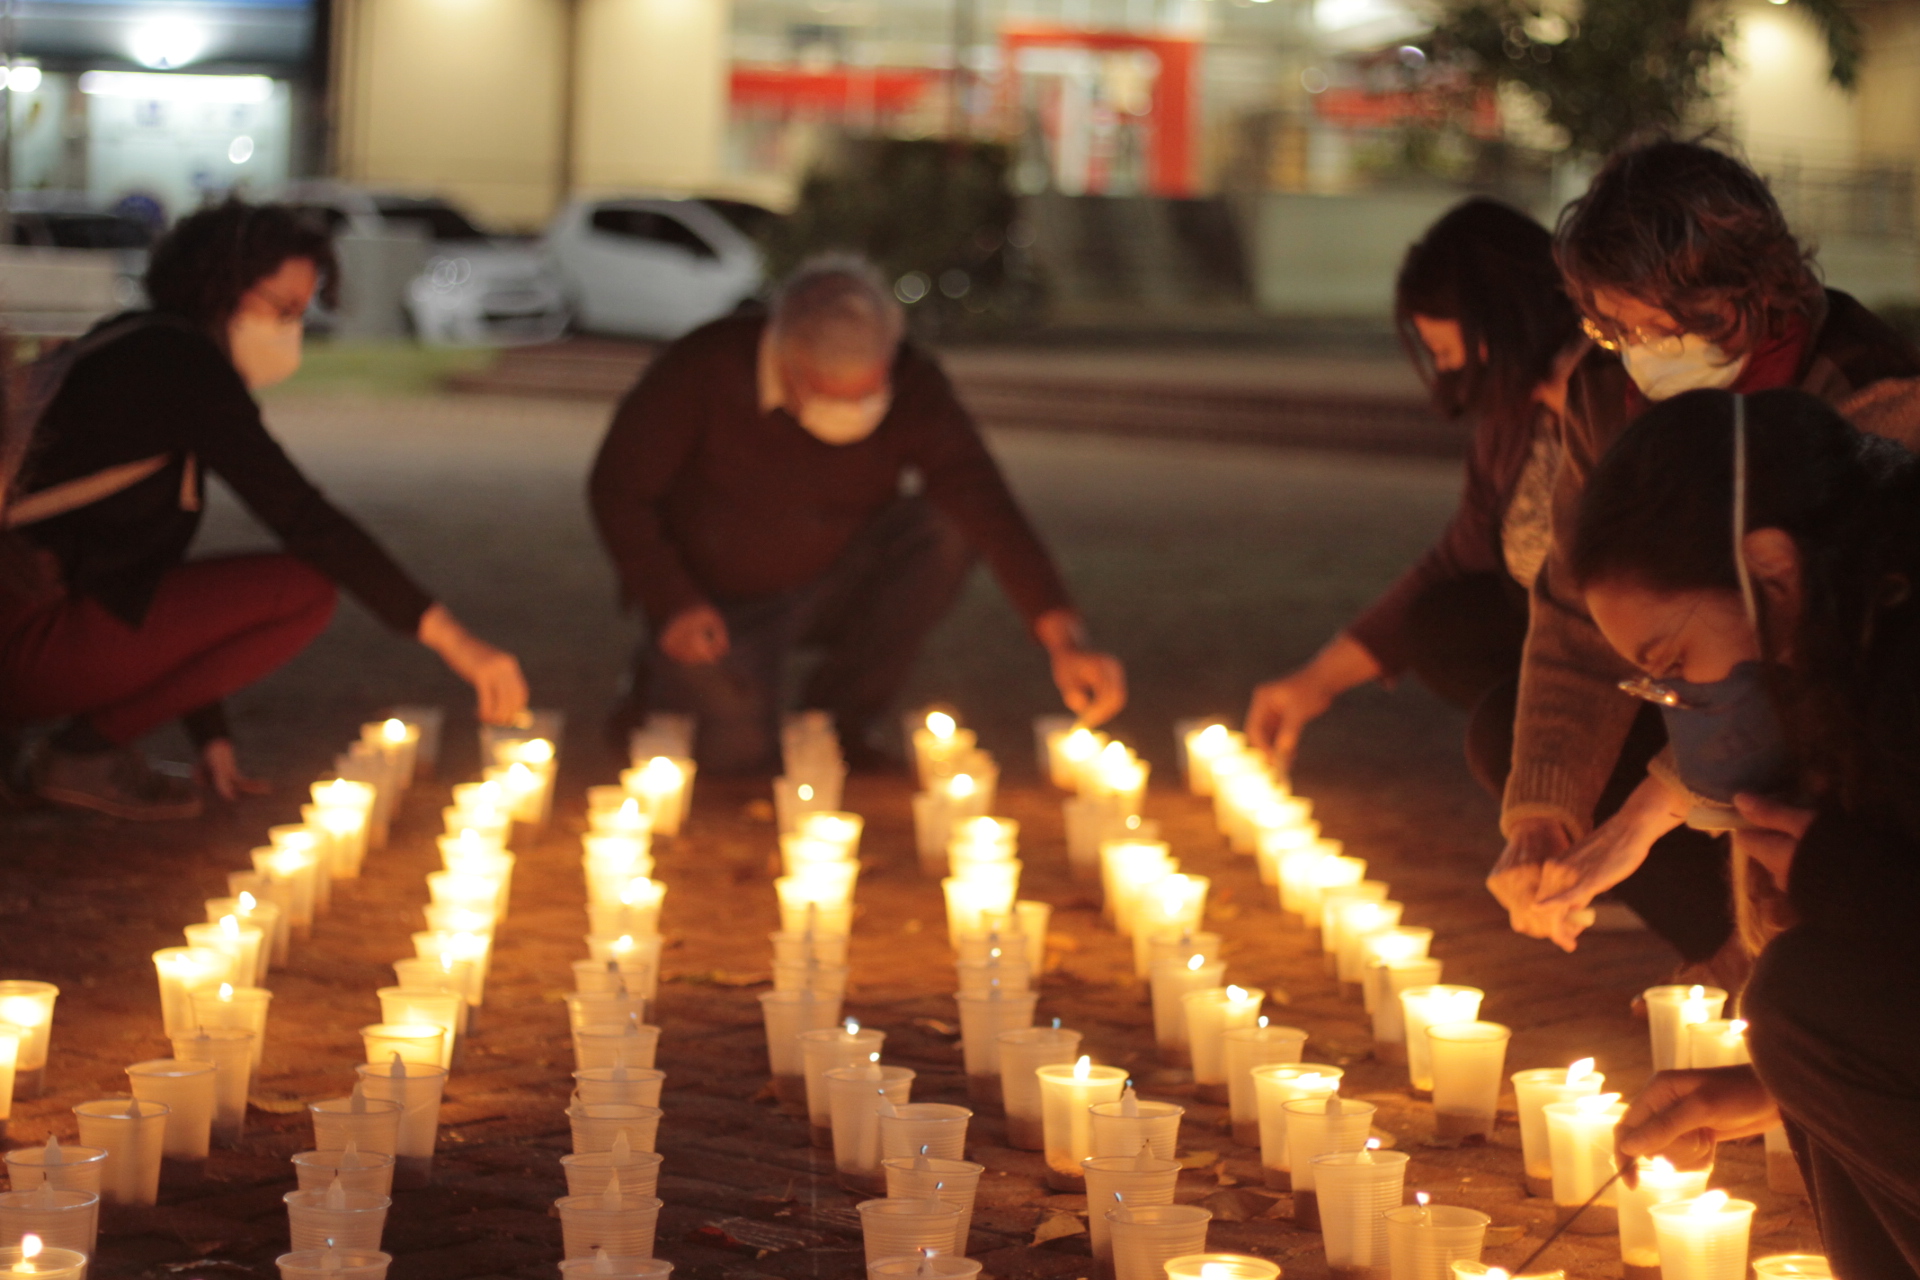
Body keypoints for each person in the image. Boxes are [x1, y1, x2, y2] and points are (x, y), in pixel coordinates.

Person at [1484, 140, 1920, 967]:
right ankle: (1741, 970)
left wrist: (1645, 815)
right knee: (1501, 734)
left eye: (1669, 325)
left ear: (1757, 286)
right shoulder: (1602, 398)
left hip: (1847, 717)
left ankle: (1776, 978)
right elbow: (1578, 607)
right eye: (1617, 328)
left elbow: (1844, 664)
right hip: (1700, 691)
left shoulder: (1866, 391)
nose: (1644, 351)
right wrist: (1545, 808)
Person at [0, 199, 528, 820]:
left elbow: (149, 574)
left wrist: (210, 734)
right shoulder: (184, 368)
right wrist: (455, 640)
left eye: (302, 314)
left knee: (271, 588)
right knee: (300, 592)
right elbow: (303, 517)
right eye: (282, 310)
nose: (290, 331)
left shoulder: (133, 343)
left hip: (28, 626)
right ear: (220, 289)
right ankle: (82, 755)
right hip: (23, 641)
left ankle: (86, 751)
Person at [1570, 389, 1920, 1277]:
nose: (1682, 704)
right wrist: (1767, 1087)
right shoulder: (1852, 636)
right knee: (1798, 1020)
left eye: (1673, 663)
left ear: (1770, 571)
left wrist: (1841, 880)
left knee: (1803, 998)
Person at [588, 256, 1126, 772]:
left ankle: (839, 722)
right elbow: (618, 489)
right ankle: (650, 695)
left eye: (868, 392)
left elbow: (980, 495)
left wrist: (1064, 637)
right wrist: (672, 601)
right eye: (829, 395)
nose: (852, 413)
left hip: (837, 576)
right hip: (718, 605)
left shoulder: (914, 383)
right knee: (734, 762)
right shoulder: (704, 367)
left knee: (944, 529)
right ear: (787, 359)